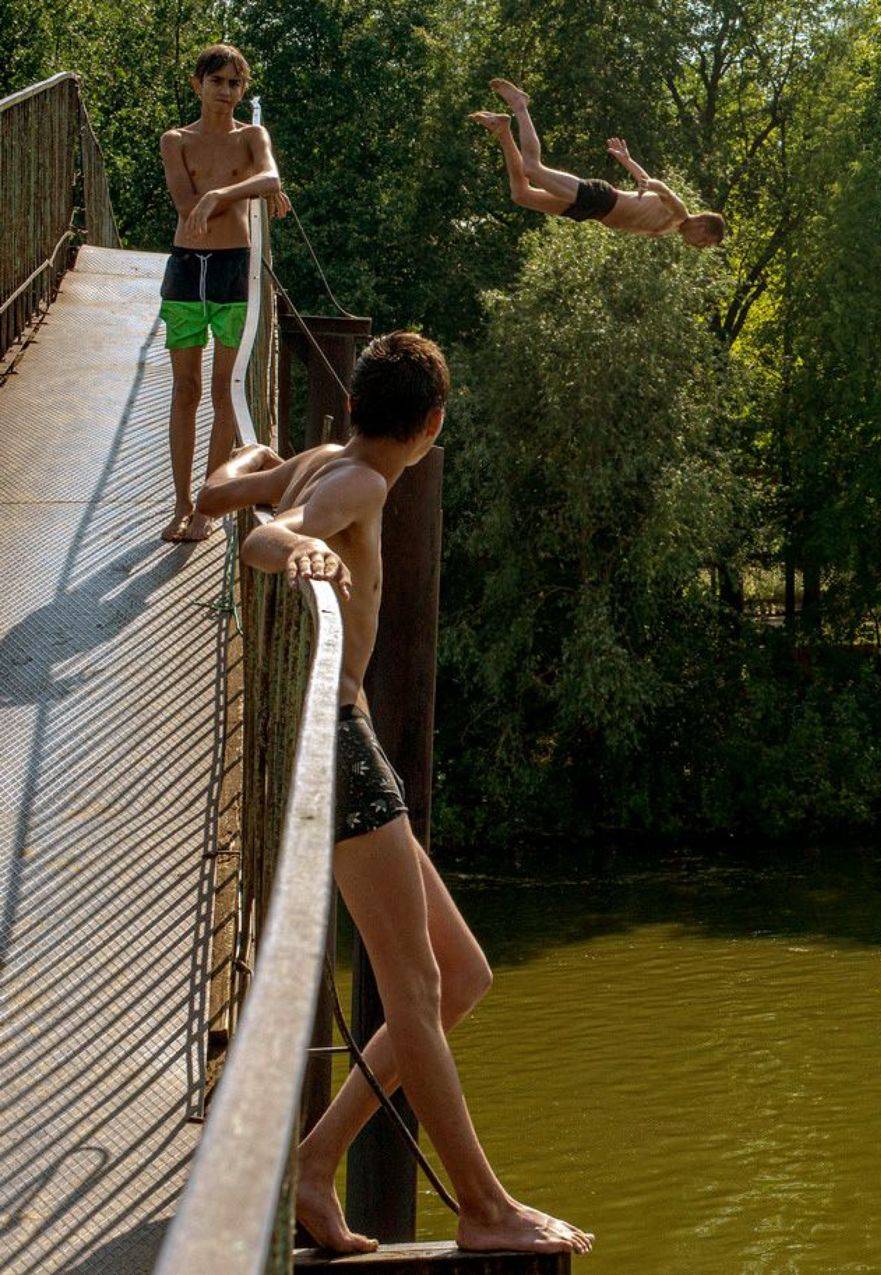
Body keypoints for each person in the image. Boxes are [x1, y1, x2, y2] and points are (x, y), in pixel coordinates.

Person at [197, 333, 594, 1258]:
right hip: (339, 749)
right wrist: (301, 547)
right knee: (415, 985)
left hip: (346, 742)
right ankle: (484, 1206)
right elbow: (262, 538)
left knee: (461, 974)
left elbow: (218, 495)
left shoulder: (317, 459)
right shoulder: (364, 484)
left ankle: (313, 1163)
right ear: (432, 425)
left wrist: (255, 460)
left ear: (354, 406)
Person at [157, 43, 289, 543]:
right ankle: (181, 503)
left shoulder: (252, 136)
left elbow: (271, 175)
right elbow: (184, 204)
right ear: (198, 84)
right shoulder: (176, 140)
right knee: (186, 389)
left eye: (235, 83)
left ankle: (207, 507)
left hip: (234, 270)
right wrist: (248, 189)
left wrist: (224, 191)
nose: (227, 91)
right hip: (188, 269)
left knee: (225, 390)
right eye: (217, 81)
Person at [470, 78, 725, 248]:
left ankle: (503, 130)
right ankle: (520, 105)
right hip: (601, 198)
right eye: (705, 241)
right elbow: (662, 190)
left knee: (521, 195)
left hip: (592, 212)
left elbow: (647, 189)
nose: (700, 246)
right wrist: (647, 181)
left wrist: (629, 163)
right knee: (532, 169)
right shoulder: (681, 213)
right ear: (703, 225)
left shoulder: (673, 226)